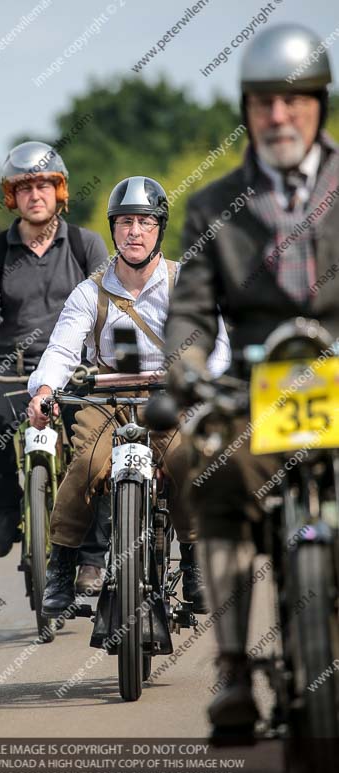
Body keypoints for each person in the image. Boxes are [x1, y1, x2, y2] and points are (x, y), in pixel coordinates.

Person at [163, 23, 339, 735]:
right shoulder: (211, 207)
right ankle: (233, 669)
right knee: (208, 470)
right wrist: (187, 374)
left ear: (318, 105)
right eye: (263, 102)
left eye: (293, 101)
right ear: (246, 110)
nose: (278, 117)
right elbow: (190, 316)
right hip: (258, 395)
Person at [27, 176, 230, 617]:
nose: (134, 231)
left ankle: (193, 564)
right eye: (124, 222)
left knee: (185, 461)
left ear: (159, 228)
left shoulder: (185, 283)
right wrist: (44, 389)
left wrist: (205, 386)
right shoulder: (89, 292)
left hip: (171, 401)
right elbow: (62, 349)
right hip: (106, 402)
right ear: (113, 229)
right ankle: (61, 567)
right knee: (85, 463)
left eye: (144, 222)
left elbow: (217, 349)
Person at [0, 141, 109, 594]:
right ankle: (7, 512)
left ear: (60, 190)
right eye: (24, 187)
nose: (35, 194)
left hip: (74, 370)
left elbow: (109, 305)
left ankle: (89, 556)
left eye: (44, 184)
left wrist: (105, 364)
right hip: (15, 370)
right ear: (12, 196)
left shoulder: (86, 245)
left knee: (99, 441)